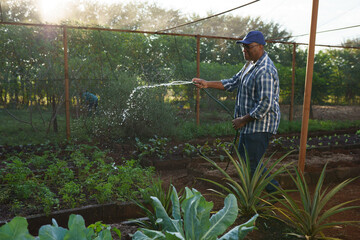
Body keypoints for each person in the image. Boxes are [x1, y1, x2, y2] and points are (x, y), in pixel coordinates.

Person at [192, 30, 281, 193]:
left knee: (252, 164)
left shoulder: (265, 70)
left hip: (259, 126)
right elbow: (233, 82)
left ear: (261, 47)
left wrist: (243, 120)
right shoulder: (250, 64)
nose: (245, 50)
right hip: (248, 125)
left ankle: (275, 193)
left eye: (249, 47)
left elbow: (265, 104)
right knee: (244, 158)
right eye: (243, 47)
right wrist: (206, 83)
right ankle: (255, 192)